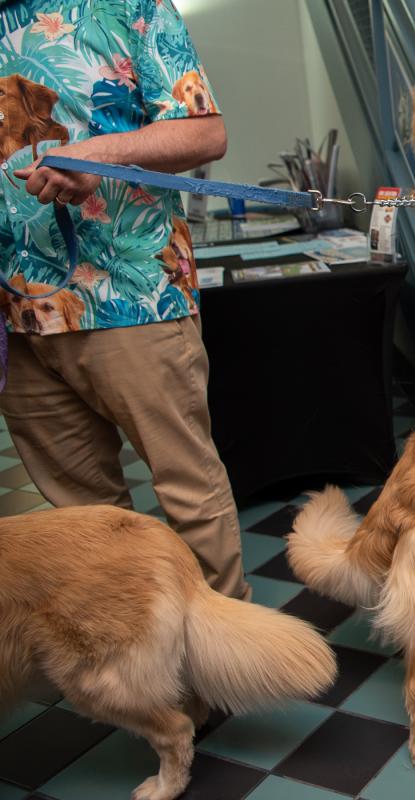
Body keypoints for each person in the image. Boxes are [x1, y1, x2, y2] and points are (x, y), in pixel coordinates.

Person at [0, 0, 251, 600]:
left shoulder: (129, 7)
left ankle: (221, 677)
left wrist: (98, 153)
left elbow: (206, 131)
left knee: (188, 494)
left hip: (131, 297)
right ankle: (139, 670)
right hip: (17, 319)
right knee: (85, 522)